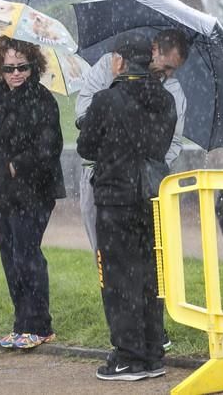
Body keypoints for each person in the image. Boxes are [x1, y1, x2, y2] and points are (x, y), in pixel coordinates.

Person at [74, 29, 189, 353]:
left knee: (119, 275)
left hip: (116, 193)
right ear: (152, 55)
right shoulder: (165, 100)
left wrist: (113, 142)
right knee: (147, 271)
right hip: (148, 192)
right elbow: (164, 143)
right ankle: (151, 347)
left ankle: (128, 354)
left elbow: (87, 145)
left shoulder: (109, 99)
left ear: (121, 61)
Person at [0, 35, 66, 349]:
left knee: (27, 255)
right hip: (4, 193)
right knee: (10, 257)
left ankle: (39, 326)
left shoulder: (42, 99)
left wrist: (16, 165)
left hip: (35, 191)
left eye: (22, 67)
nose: (15, 73)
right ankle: (21, 324)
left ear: (33, 66)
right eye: (8, 67)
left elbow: (51, 147)